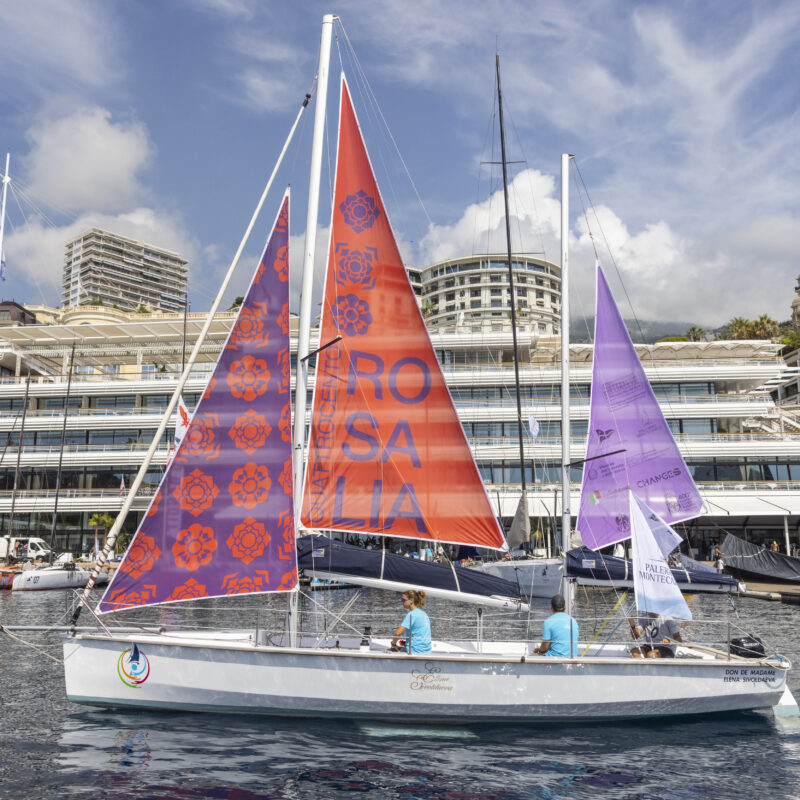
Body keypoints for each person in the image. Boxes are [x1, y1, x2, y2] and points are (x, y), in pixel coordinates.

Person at [391, 590, 432, 654]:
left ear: (411, 601)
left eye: (403, 600)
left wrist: (393, 644)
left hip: (414, 651)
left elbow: (398, 633)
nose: (402, 602)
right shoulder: (424, 614)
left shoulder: (412, 614)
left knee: (390, 651)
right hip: (427, 651)